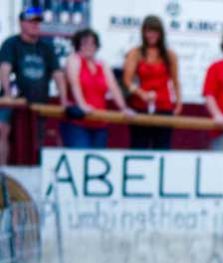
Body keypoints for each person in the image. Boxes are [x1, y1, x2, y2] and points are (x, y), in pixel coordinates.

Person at [0, 6, 67, 165]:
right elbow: (5, 69)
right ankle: (1, 170)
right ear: (21, 23)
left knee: (38, 139)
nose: (35, 25)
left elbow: (58, 73)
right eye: (31, 21)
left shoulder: (46, 47)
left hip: (39, 99)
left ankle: (36, 172)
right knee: (2, 130)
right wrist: (8, 94)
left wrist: (64, 99)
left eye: (37, 22)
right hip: (14, 99)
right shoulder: (11, 43)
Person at [62, 28, 131, 149]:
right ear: (78, 45)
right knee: (79, 160)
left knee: (96, 164)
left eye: (92, 43)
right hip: (78, 123)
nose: (88, 47)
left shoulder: (102, 64)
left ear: (97, 46)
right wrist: (82, 105)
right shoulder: (73, 59)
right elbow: (74, 83)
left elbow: (114, 87)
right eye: (84, 43)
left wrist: (124, 108)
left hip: (100, 123)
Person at [122, 15, 181, 149]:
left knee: (162, 147)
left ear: (161, 33)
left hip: (164, 106)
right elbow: (127, 80)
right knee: (139, 146)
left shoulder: (170, 54)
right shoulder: (135, 53)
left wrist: (178, 103)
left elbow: (176, 81)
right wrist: (141, 93)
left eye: (155, 31)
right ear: (143, 32)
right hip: (140, 106)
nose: (151, 35)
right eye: (148, 31)